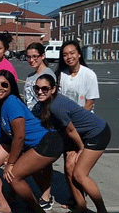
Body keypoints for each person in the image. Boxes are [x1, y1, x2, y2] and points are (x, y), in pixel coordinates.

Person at [0, 70, 63, 213]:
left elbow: (19, 136)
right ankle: (24, 204)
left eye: (4, 85)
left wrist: (11, 163)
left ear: (11, 86)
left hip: (47, 142)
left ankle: (36, 210)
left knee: (14, 177)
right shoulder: (2, 104)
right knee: (14, 176)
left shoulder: (11, 102)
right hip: (38, 144)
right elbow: (10, 137)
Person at [34, 74, 110, 213]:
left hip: (97, 133)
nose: (40, 92)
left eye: (44, 88)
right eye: (37, 88)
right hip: (79, 135)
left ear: (53, 89)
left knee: (80, 174)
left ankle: (102, 210)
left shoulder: (56, 105)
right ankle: (80, 207)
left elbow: (70, 130)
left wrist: (80, 149)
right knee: (69, 168)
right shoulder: (42, 104)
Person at [23, 42, 57, 210]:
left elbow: (52, 101)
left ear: (43, 56)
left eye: (35, 56)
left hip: (45, 124)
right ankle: (44, 192)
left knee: (43, 163)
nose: (31, 60)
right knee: (35, 164)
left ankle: (46, 194)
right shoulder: (30, 77)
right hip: (31, 124)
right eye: (28, 57)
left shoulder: (48, 75)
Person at [55, 40, 99, 112]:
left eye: (72, 53)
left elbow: (90, 103)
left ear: (79, 54)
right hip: (65, 118)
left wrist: (79, 120)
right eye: (65, 55)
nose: (69, 57)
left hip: (84, 118)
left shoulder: (89, 75)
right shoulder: (60, 74)